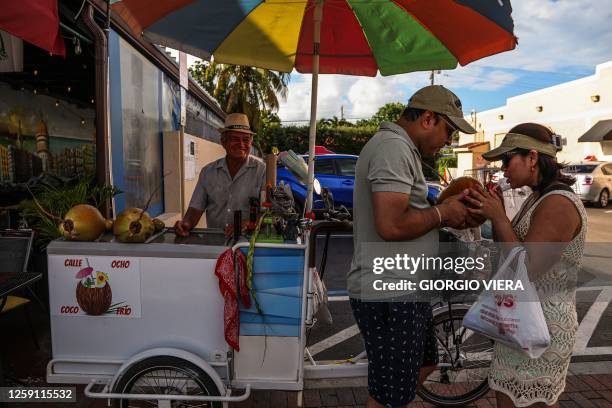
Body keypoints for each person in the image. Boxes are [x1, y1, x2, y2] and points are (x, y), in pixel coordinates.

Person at [348, 85, 477, 408]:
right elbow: (391, 225)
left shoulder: (402, 149)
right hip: (390, 292)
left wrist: (443, 213)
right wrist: (442, 212)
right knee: (391, 396)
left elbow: (409, 214)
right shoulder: (393, 148)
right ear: (428, 118)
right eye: (449, 131)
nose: (450, 140)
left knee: (423, 366)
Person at [465, 123, 586, 408]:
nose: (503, 169)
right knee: (513, 399)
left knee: (524, 401)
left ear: (532, 158)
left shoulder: (558, 203)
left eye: (507, 160)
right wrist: (495, 215)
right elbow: (509, 253)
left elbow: (528, 268)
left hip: (541, 326)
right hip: (522, 319)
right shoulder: (538, 197)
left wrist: (499, 218)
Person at [174, 113, 266, 236]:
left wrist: (247, 223)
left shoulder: (262, 171)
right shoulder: (208, 172)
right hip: (216, 243)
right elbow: (196, 208)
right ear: (223, 141)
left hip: (249, 245)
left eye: (246, 140)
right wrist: (185, 224)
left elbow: (270, 214)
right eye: (235, 139)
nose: (241, 144)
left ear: (251, 142)